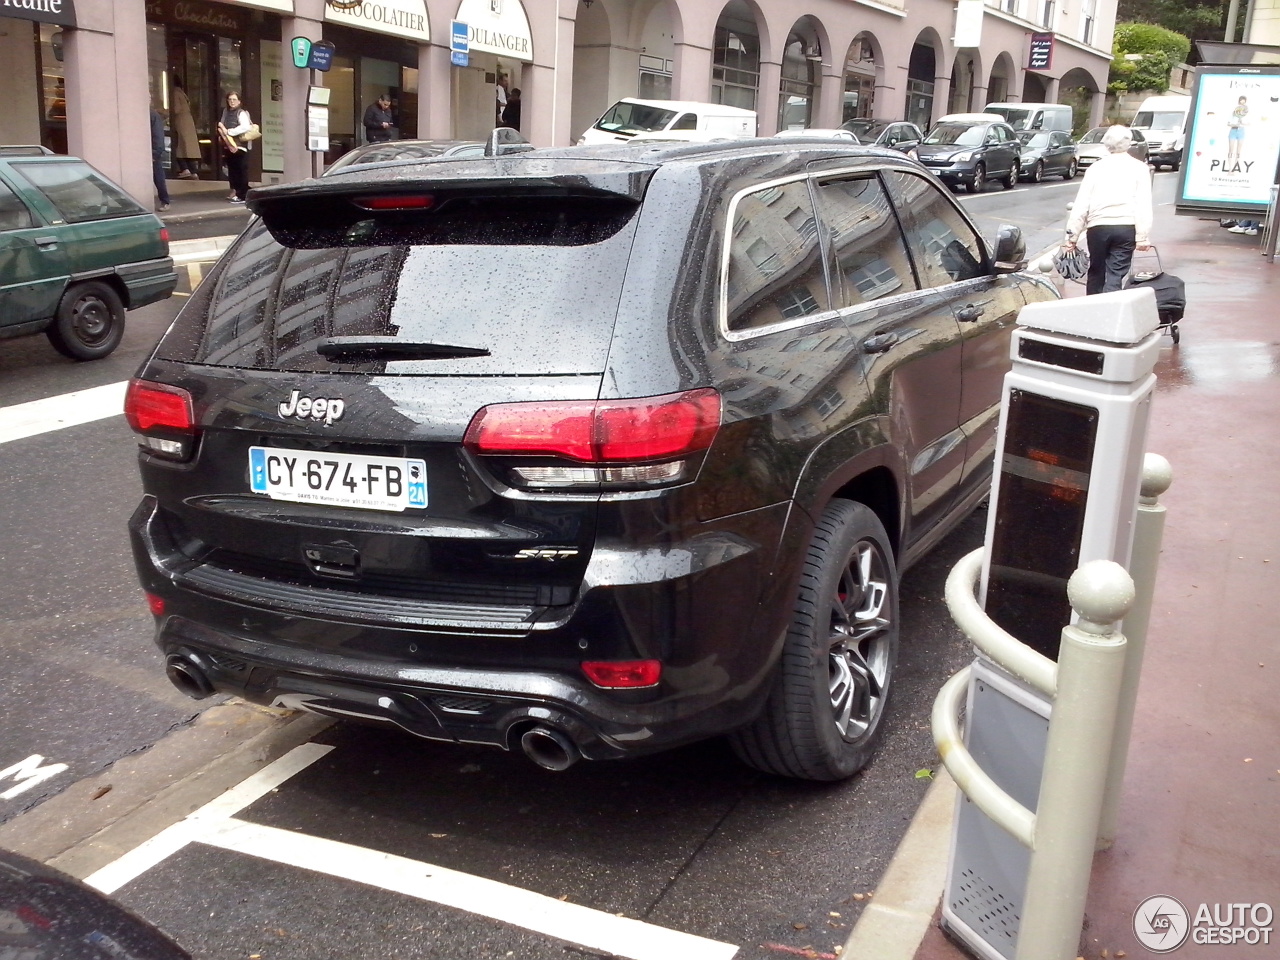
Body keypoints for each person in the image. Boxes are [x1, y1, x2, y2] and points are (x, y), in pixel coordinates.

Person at [1064, 125, 1153, 295]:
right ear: (1129, 144)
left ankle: (1092, 307)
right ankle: (1112, 307)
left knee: (1097, 270)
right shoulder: (1140, 168)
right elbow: (1143, 203)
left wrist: (1072, 236)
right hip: (1126, 226)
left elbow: (1082, 203)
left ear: (1107, 144)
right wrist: (1142, 237)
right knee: (1116, 273)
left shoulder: (1095, 168)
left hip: (1098, 227)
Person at [217, 91, 252, 204]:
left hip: (239, 146)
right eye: (230, 99)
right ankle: (237, 193)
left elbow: (245, 127)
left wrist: (230, 132)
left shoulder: (241, 113)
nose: (232, 102)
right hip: (228, 145)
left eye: (234, 99)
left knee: (240, 170)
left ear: (239, 101)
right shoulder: (225, 112)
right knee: (233, 171)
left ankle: (242, 195)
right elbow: (222, 125)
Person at [170, 76, 202, 179]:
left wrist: (163, 111)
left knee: (179, 146)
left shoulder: (175, 93)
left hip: (180, 122)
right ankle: (193, 171)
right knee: (187, 148)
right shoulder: (182, 93)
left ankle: (185, 169)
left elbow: (176, 109)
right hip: (188, 122)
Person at [149, 107, 170, 212]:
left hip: (152, 152)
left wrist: (155, 153)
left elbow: (158, 136)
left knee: (158, 177)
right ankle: (165, 201)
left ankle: (165, 201)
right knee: (158, 177)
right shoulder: (150, 114)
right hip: (148, 151)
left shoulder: (152, 115)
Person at [1228, 95, 1247, 161]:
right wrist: (1235, 125)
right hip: (1233, 130)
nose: (1242, 104)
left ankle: (1236, 165)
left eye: (1244, 102)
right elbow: (1228, 123)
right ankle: (1230, 168)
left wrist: (1242, 123)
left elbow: (1249, 123)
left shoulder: (1246, 113)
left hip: (1241, 131)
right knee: (1231, 149)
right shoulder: (1234, 112)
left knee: (1238, 151)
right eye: (1241, 102)